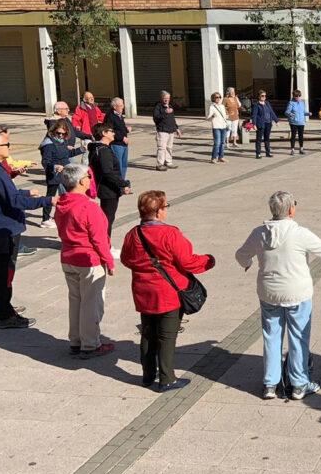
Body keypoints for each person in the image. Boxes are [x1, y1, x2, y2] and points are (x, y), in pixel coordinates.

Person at [235, 190, 321, 400]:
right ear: (291, 210)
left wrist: (247, 263)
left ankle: (270, 384)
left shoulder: (260, 233)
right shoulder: (300, 233)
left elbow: (241, 255)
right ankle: (299, 384)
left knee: (271, 336)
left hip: (269, 293)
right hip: (297, 294)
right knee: (299, 336)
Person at [121, 191, 215, 391]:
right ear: (157, 212)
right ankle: (167, 378)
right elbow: (187, 261)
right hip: (168, 293)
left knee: (147, 333)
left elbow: (126, 259)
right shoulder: (170, 233)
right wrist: (208, 260)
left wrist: (144, 268)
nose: (166, 210)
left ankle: (147, 375)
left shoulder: (134, 233)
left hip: (143, 291)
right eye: (165, 207)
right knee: (167, 336)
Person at [0, 129, 55, 327]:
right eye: (7, 145)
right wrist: (48, 200)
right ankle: (5, 315)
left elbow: (1, 194)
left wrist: (26, 191)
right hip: (3, 226)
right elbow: (13, 200)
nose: (9, 148)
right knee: (4, 271)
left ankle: (0, 307)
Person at [54, 164, 115, 358]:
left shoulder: (62, 203)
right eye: (89, 176)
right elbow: (99, 238)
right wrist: (110, 262)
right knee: (91, 303)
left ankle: (76, 340)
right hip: (88, 259)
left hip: (68, 257)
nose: (90, 178)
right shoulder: (89, 207)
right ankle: (90, 344)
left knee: (76, 300)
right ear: (82, 181)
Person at [88, 123, 132, 241]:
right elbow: (108, 173)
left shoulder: (99, 148)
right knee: (107, 218)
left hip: (107, 188)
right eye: (111, 131)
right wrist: (122, 183)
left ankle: (102, 242)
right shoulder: (104, 151)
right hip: (108, 189)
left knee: (106, 217)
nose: (113, 133)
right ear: (103, 133)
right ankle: (105, 245)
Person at [39, 119, 83, 228]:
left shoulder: (62, 141)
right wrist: (54, 167)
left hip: (65, 172)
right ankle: (45, 219)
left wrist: (81, 149)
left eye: (63, 134)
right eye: (58, 133)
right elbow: (45, 162)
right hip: (54, 174)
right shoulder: (48, 145)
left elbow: (67, 154)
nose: (61, 136)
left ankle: (68, 214)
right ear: (53, 131)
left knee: (70, 193)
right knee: (51, 195)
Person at [153, 91, 181, 171]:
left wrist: (177, 128)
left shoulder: (170, 106)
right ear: (161, 98)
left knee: (169, 147)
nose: (166, 100)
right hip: (162, 130)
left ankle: (168, 162)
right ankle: (159, 164)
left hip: (170, 130)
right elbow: (156, 117)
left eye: (168, 98)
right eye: (165, 98)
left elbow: (172, 119)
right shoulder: (158, 106)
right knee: (161, 148)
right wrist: (165, 113)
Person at [251, 90, 279, 159]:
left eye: (265, 96)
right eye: (262, 96)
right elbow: (254, 115)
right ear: (259, 96)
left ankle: (268, 152)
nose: (264, 97)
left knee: (267, 138)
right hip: (261, 124)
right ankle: (258, 153)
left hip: (268, 123)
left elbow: (271, 112)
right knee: (259, 139)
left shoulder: (267, 103)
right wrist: (254, 124)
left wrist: (276, 120)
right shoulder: (256, 105)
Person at [107, 97, 131, 178]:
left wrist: (126, 129)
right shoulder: (110, 116)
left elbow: (119, 127)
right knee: (118, 166)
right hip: (116, 144)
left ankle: (122, 184)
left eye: (122, 105)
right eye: (120, 105)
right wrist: (122, 138)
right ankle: (118, 186)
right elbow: (110, 130)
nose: (123, 107)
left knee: (124, 165)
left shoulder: (119, 115)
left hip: (124, 144)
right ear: (114, 106)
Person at [285, 89, 310, 155]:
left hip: (301, 122)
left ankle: (301, 149)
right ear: (294, 96)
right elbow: (287, 112)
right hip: (293, 122)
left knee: (301, 136)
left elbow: (304, 112)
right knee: (293, 135)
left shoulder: (302, 102)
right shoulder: (291, 103)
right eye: (296, 96)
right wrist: (290, 114)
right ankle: (292, 149)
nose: (298, 97)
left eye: (299, 96)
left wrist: (308, 113)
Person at [207, 92, 228, 163]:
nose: (218, 98)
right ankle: (214, 158)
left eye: (219, 97)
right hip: (216, 127)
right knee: (217, 143)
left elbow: (224, 116)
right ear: (213, 98)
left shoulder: (222, 106)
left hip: (223, 126)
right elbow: (207, 117)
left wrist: (228, 117)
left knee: (222, 142)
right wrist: (212, 116)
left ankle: (221, 157)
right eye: (216, 97)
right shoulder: (212, 107)